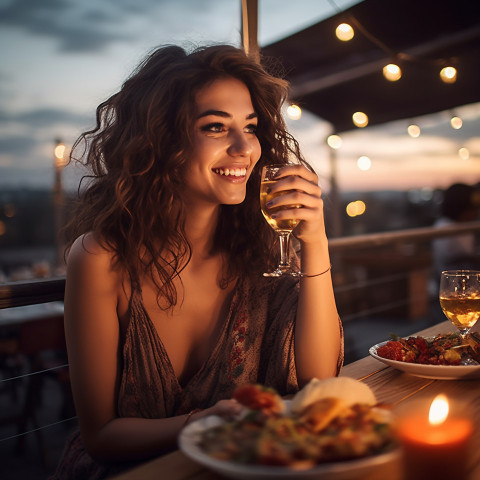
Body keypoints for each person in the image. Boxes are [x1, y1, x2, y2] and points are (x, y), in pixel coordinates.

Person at [51, 44, 343, 480]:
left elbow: (320, 376)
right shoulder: (100, 260)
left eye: (251, 126)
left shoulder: (262, 248)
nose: (245, 147)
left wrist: (315, 242)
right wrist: (199, 422)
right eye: (215, 127)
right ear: (162, 142)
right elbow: (101, 437)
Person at [432, 182, 480, 274]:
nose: (476, 212)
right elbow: (460, 261)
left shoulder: (462, 226)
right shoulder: (445, 228)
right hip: (452, 281)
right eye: (473, 208)